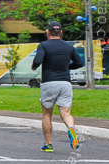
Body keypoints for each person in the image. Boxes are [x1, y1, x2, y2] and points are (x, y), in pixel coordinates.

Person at [31, 20, 84, 152]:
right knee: (66, 113)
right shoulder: (68, 47)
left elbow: (38, 60)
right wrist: (67, 67)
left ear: (48, 32)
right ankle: (71, 129)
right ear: (61, 32)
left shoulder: (43, 45)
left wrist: (34, 67)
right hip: (65, 83)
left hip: (49, 83)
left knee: (47, 115)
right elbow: (79, 63)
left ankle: (48, 144)